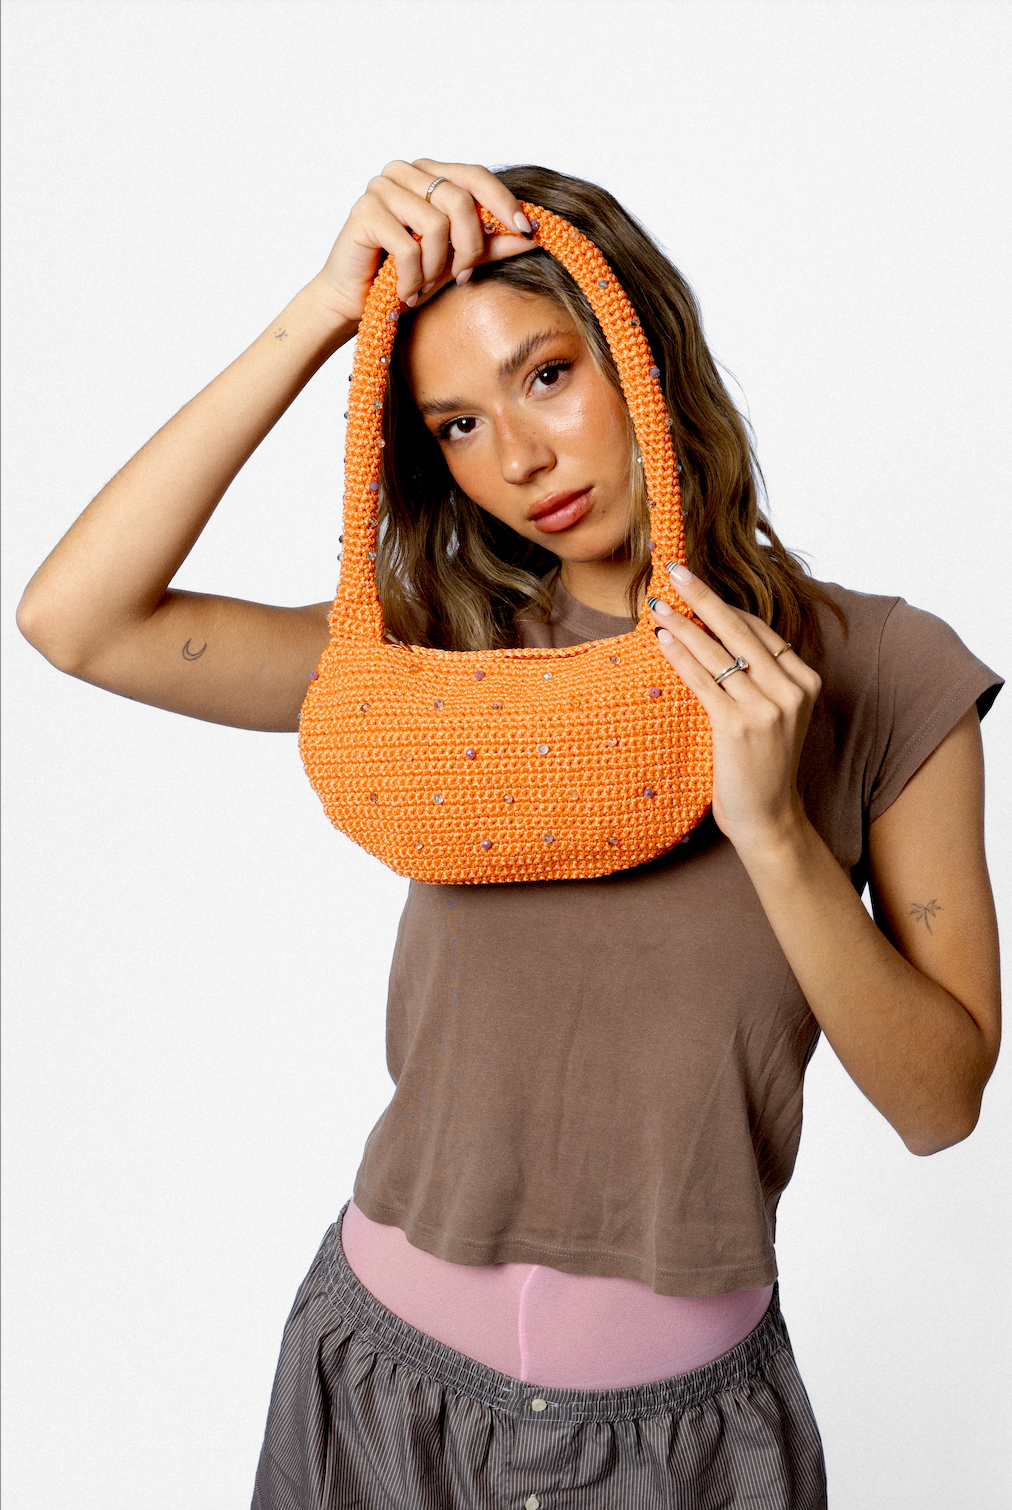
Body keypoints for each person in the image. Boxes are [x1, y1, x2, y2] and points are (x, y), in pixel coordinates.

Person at [17, 159, 1003, 1510]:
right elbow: (75, 620)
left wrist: (775, 833)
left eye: (546, 375)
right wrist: (325, 311)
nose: (520, 460)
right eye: (459, 425)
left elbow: (941, 1104)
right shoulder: (441, 659)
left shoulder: (885, 671)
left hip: (683, 1448)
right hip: (376, 1391)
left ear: (644, 352)